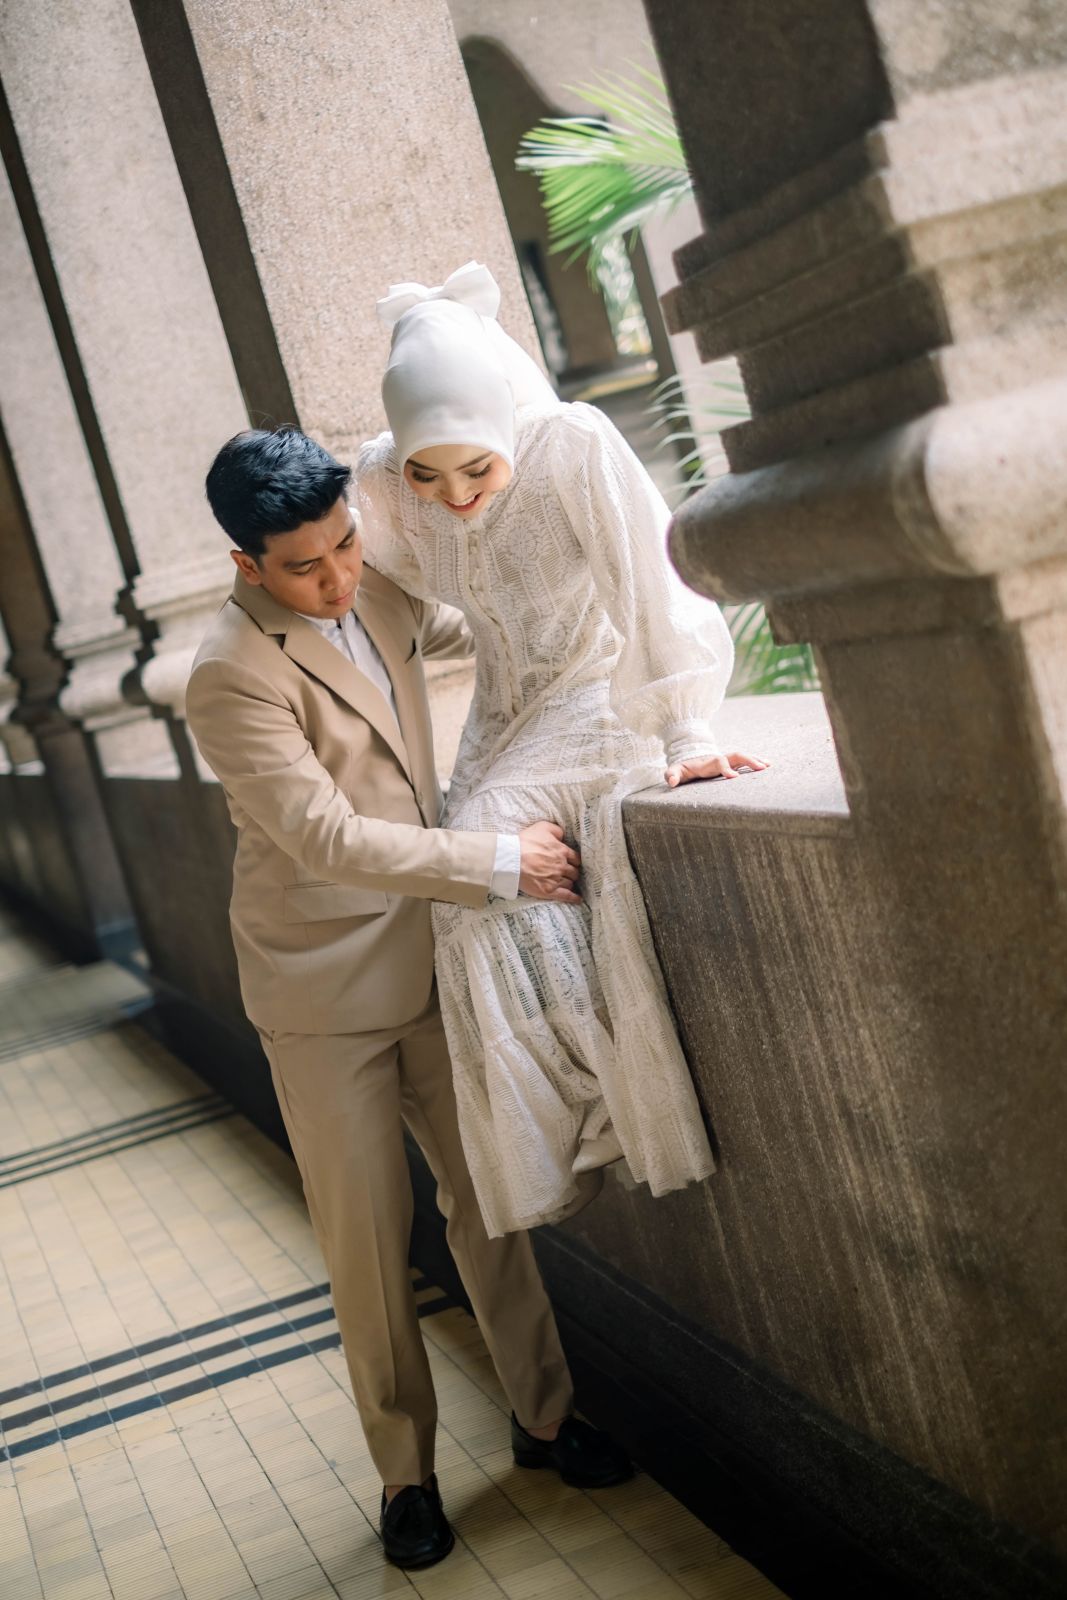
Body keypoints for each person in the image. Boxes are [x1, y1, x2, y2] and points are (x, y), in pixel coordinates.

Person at [185, 426, 631, 1572]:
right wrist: (498, 862)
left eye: (345, 544)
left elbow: (501, 617)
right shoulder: (228, 675)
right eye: (304, 566)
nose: (338, 577)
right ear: (246, 565)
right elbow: (325, 837)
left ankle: (545, 1418)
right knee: (369, 1244)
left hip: (432, 955)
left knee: (489, 1199)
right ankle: (406, 1477)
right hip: (320, 990)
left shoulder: (378, 589)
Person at [354, 262, 768, 1240]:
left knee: (482, 855)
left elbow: (647, 581)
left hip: (597, 696)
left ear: (503, 425)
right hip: (501, 720)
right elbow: (388, 572)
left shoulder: (570, 444)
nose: (453, 495)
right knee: (461, 881)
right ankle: (583, 1103)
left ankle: (603, 1097)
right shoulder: (385, 479)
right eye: (428, 474)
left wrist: (685, 730)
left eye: (474, 469)